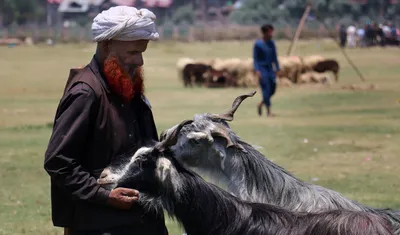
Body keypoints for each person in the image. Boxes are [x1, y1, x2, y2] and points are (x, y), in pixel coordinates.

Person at [43, 6, 168, 235]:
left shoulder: (126, 87)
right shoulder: (86, 93)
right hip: (102, 224)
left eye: (142, 52)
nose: (139, 61)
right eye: (132, 52)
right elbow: (58, 161)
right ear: (105, 44)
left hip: (142, 221)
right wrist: (105, 196)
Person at [253, 24, 280, 117]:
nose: (272, 33)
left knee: (273, 89)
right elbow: (255, 58)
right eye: (270, 31)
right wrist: (257, 70)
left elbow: (275, 57)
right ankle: (269, 112)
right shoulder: (258, 44)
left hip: (270, 70)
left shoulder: (271, 43)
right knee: (266, 90)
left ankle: (261, 103)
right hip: (262, 69)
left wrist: (277, 68)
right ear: (265, 32)